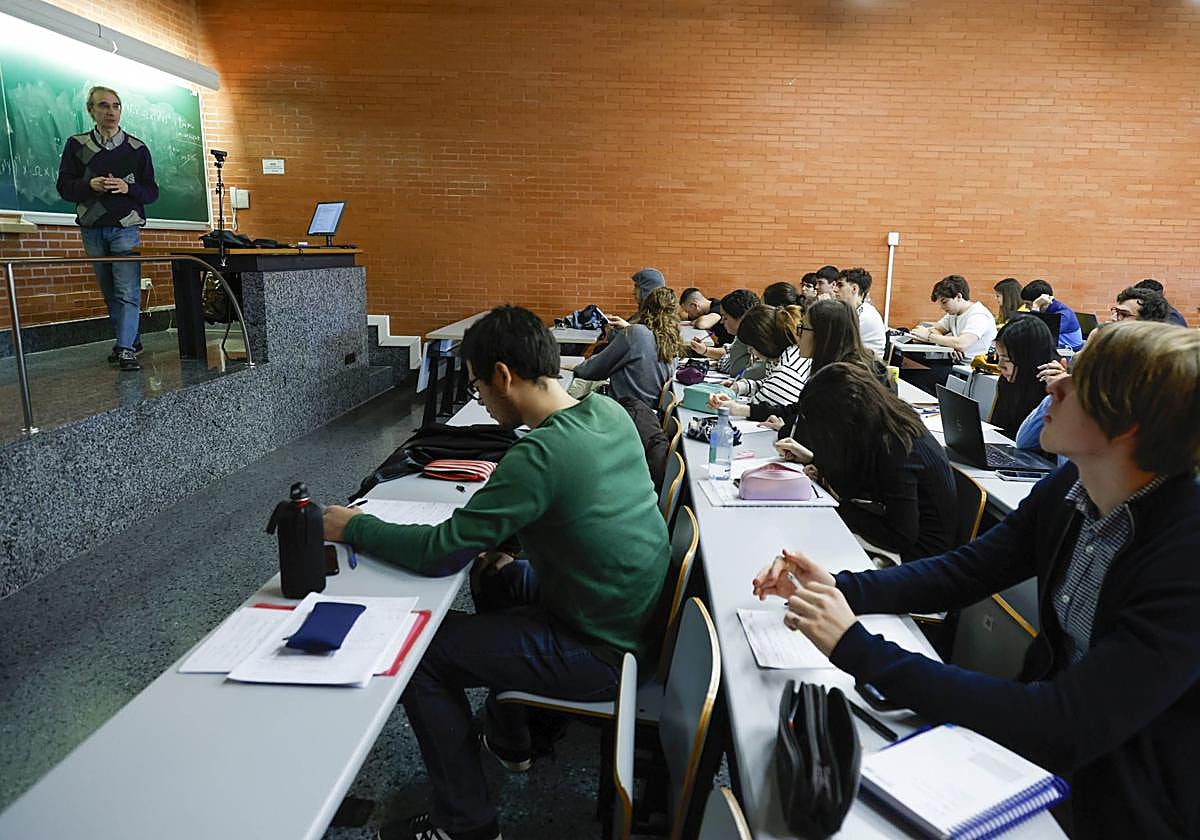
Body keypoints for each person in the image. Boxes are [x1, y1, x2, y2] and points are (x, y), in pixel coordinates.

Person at [753, 321, 1200, 839]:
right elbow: (965, 571)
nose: (1055, 384)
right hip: (1046, 762)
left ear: (1128, 427)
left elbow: (1063, 724)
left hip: (1129, 803)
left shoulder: (1185, 556)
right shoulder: (1070, 489)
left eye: (1080, 380)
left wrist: (856, 648)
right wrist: (839, 586)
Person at [324, 305, 670, 840]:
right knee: (497, 573)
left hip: (601, 648)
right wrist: (507, 545)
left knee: (419, 655)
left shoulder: (540, 454)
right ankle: (514, 737)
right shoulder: (606, 412)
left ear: (504, 376)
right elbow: (579, 509)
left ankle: (465, 825)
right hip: (628, 613)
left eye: (479, 387)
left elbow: (442, 551)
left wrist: (352, 528)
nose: (481, 402)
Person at [774, 362, 957, 562]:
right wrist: (815, 460)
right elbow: (864, 481)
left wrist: (840, 506)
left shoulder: (896, 447)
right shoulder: (884, 419)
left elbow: (900, 536)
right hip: (900, 532)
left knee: (810, 549)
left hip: (920, 558)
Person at [55, 85, 158, 372]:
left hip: (126, 227)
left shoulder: (137, 149)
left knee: (126, 289)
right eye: (103, 106)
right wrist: (89, 185)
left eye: (115, 106)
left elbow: (151, 192)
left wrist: (128, 187)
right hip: (92, 226)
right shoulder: (77, 145)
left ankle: (124, 348)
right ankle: (131, 340)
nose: (110, 111)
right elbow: (63, 187)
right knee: (110, 291)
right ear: (91, 111)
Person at [572, 286, 684, 405]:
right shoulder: (673, 339)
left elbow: (595, 369)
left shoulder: (636, 333)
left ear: (646, 307)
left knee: (572, 390)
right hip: (647, 409)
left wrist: (575, 367)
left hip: (623, 408)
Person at [707, 304, 810, 419]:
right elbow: (769, 383)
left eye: (751, 346)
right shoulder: (783, 355)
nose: (749, 350)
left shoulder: (787, 370)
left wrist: (733, 405)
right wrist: (740, 387)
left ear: (763, 343)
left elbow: (759, 408)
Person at [903, 275, 997, 392]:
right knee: (908, 365)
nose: (942, 307)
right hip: (956, 362)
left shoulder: (978, 315)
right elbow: (935, 329)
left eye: (944, 302)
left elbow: (962, 343)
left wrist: (930, 337)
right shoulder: (953, 313)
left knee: (917, 376)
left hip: (971, 369)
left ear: (958, 296)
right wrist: (951, 345)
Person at [988, 315, 1059, 440]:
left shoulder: (1053, 389)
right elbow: (997, 428)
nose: (1000, 366)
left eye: (1006, 359)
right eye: (999, 357)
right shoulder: (1006, 381)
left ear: (1028, 360)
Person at [688, 288, 761, 377]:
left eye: (725, 317)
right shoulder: (741, 337)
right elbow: (729, 350)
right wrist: (704, 350)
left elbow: (731, 366)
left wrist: (719, 362)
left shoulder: (756, 342)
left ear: (741, 318)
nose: (722, 322)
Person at [832, 266, 886, 357]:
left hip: (864, 367)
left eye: (840, 285)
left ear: (854, 289)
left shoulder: (866, 316)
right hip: (852, 362)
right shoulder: (855, 310)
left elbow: (833, 342)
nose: (835, 289)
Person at [1020, 279, 1084, 351]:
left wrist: (1035, 307)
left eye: (1028, 304)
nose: (1026, 307)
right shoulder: (1048, 311)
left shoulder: (1063, 315)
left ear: (1043, 302)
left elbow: (1036, 334)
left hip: (1069, 355)